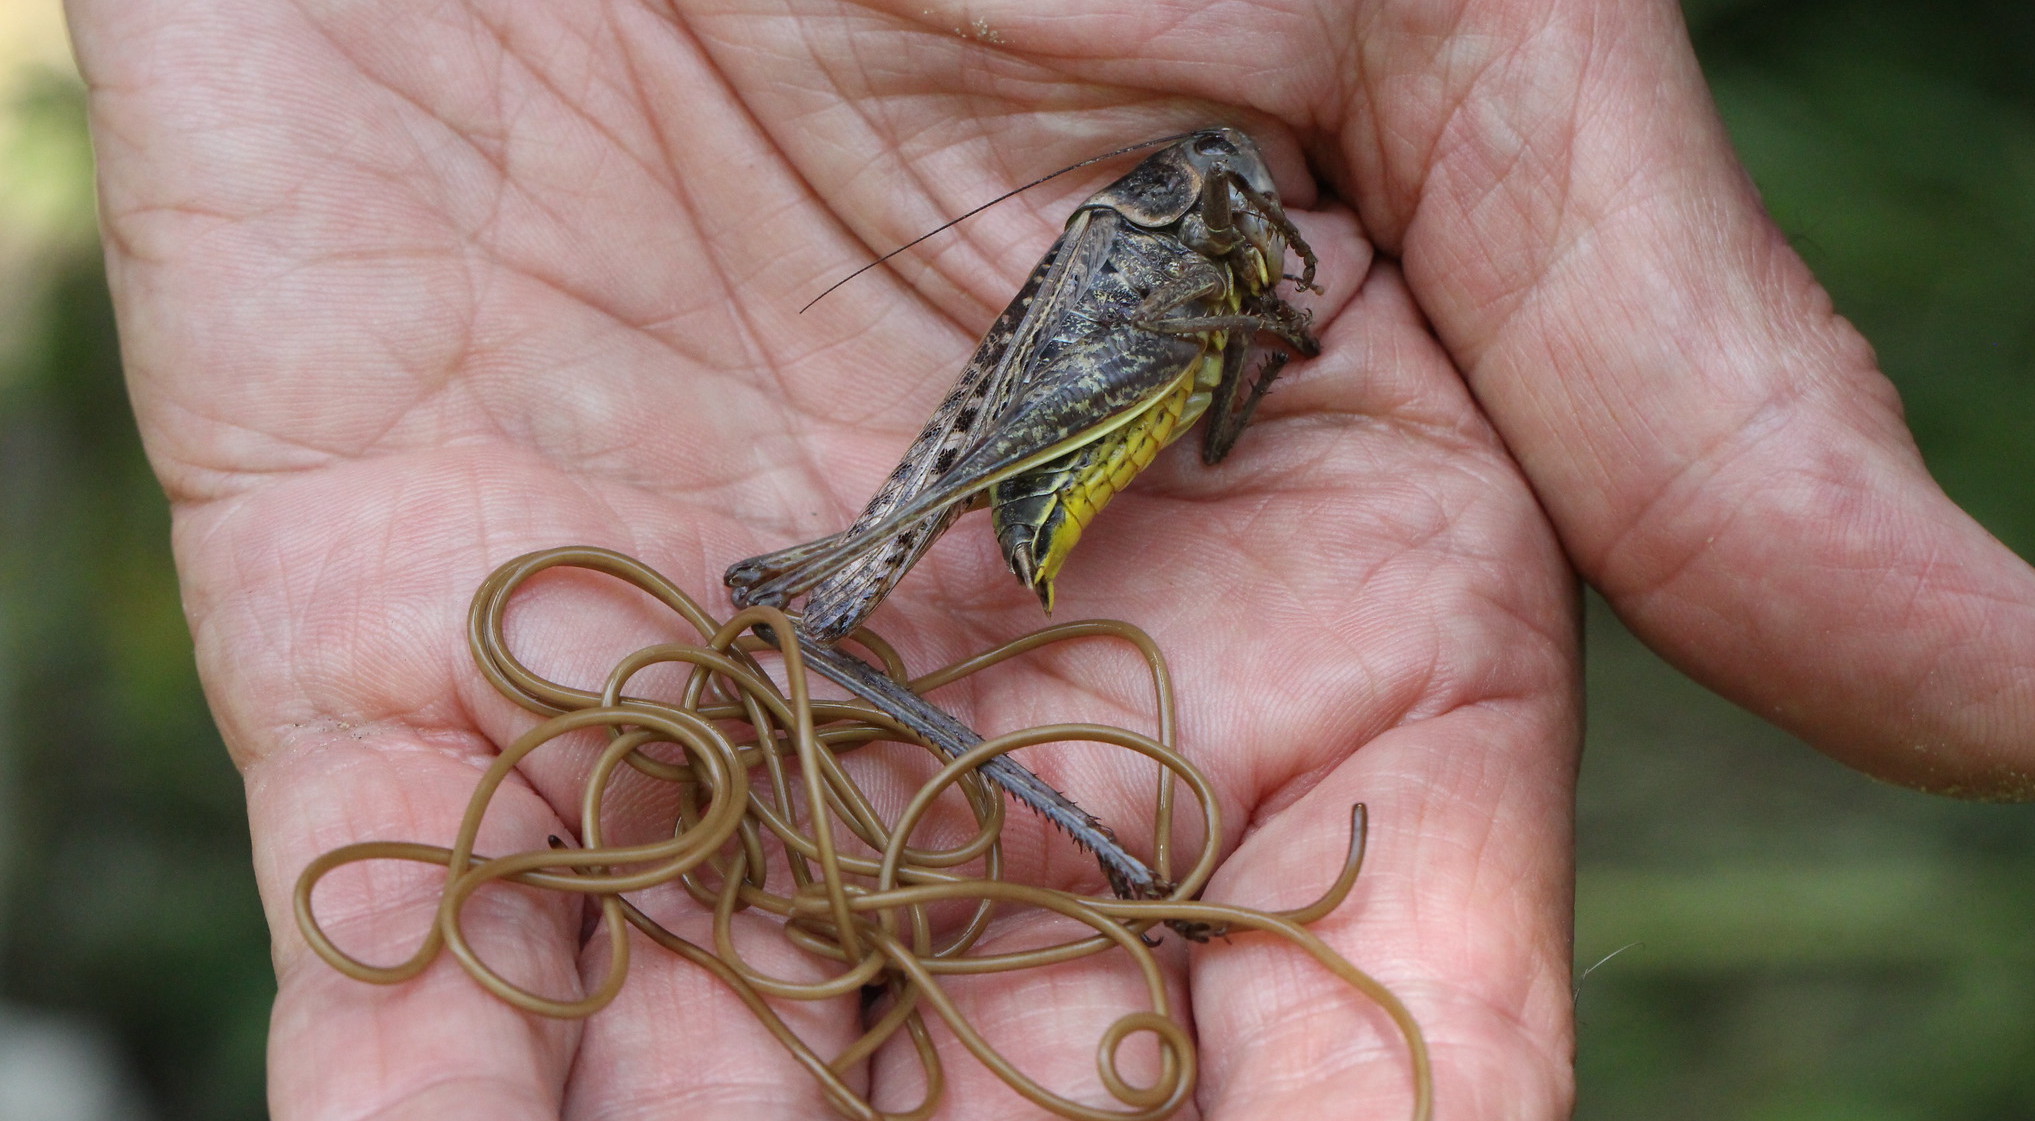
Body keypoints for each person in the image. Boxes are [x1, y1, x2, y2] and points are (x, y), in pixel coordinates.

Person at [66, 0, 2034, 1116]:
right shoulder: (1158, 251)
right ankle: (885, 684)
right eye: (1212, 195)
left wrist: (1253, 316)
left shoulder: (1213, 243)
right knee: (869, 571)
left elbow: (1256, 365)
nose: (1237, 199)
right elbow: (1230, 354)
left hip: (1119, 402)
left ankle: (988, 780)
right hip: (1030, 447)